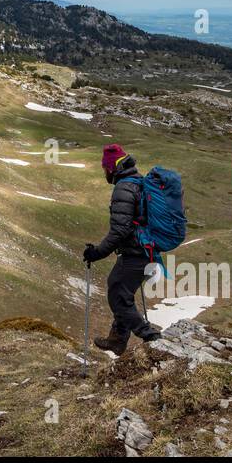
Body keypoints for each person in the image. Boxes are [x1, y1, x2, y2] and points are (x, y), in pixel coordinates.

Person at [83, 143, 162, 354]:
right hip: (145, 251)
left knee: (118, 295)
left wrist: (97, 252)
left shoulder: (124, 188)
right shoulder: (138, 181)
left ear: (111, 168)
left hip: (137, 253)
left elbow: (120, 230)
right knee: (119, 289)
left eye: (104, 169)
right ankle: (117, 338)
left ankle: (151, 337)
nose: (104, 173)